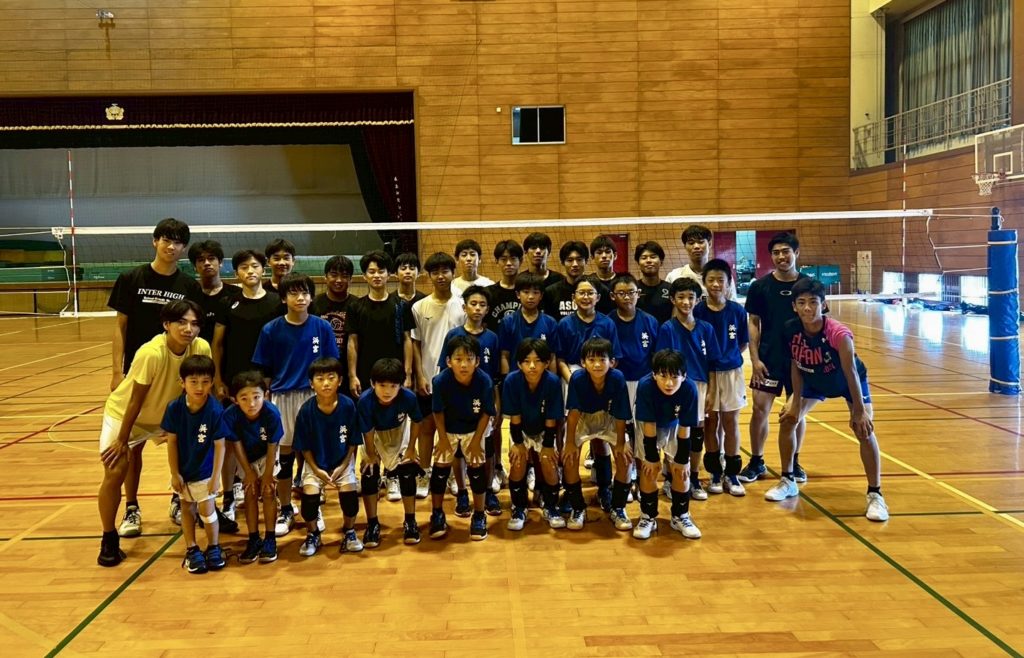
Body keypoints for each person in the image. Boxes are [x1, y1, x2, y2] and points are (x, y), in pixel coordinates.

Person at [107, 218, 203, 538]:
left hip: (175, 378)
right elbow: (120, 327)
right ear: (155, 241)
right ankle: (132, 507)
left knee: (179, 441)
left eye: (177, 242)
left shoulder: (188, 286)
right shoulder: (131, 278)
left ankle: (178, 499)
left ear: (184, 248)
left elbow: (194, 330)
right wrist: (116, 371)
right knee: (132, 447)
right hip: (140, 373)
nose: (171, 246)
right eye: (166, 239)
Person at [764, 279, 889, 522]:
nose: (807, 308)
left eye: (813, 302)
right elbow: (796, 365)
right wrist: (795, 403)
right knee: (788, 419)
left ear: (823, 304)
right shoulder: (790, 329)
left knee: (864, 429)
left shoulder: (838, 334)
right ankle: (788, 480)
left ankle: (875, 494)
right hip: (812, 379)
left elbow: (851, 372)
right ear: (794, 306)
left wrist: (859, 411)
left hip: (845, 382)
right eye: (801, 302)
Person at [97, 299, 210, 567]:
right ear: (166, 324)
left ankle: (184, 504)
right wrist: (122, 440)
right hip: (127, 416)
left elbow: (197, 390)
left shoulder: (201, 347)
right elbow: (135, 401)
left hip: (165, 417)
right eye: (181, 322)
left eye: (194, 324)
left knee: (192, 461)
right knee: (115, 469)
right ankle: (109, 537)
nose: (188, 329)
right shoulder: (151, 353)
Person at [252, 273, 340, 538]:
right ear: (283, 298)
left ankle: (313, 507)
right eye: (294, 293)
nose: (300, 298)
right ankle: (286, 508)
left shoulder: (322, 327)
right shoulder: (270, 330)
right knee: (285, 458)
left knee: (315, 455)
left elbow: (331, 365)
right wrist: (266, 401)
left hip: (314, 397)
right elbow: (265, 371)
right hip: (283, 397)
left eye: (305, 293)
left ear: (311, 297)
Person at [740, 232, 810, 484]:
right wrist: (754, 359)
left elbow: (820, 322)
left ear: (796, 253)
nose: (781, 257)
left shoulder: (809, 285)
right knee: (759, 410)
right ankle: (756, 461)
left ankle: (794, 462)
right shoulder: (759, 286)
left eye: (786, 251)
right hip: (769, 359)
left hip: (801, 360)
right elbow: (753, 323)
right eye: (776, 252)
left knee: (796, 413)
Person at [436, 286, 501, 515]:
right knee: (458, 449)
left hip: (483, 398)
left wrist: (496, 402)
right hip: (457, 400)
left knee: (486, 447)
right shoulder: (453, 335)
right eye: (473, 304)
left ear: (488, 309)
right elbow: (443, 370)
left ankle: (488, 490)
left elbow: (495, 375)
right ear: (464, 307)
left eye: (482, 304)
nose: (477, 308)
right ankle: (462, 490)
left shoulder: (492, 337)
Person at [162, 355, 229, 574]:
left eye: (205, 382)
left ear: (212, 382)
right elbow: (171, 442)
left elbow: (220, 446)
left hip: (205, 471)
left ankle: (214, 547)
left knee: (207, 510)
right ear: (182, 382)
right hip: (184, 470)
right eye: (193, 382)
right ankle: (191, 549)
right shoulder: (174, 408)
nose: (199, 387)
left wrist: (216, 477)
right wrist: (174, 473)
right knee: (186, 508)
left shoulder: (215, 410)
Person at [656, 277, 721, 501]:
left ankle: (693, 477)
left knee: (696, 434)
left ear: (698, 300)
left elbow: (712, 363)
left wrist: (712, 391)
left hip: (700, 386)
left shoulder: (706, 328)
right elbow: (662, 362)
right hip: (674, 386)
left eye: (690, 297)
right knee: (673, 433)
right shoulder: (667, 328)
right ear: (673, 300)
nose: (686, 302)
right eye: (681, 297)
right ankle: (670, 477)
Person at [292, 357, 363, 557]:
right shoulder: (306, 410)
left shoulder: (348, 406)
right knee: (309, 501)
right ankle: (313, 534)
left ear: (340, 381)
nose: (325, 383)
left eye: (331, 378)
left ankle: (349, 532)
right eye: (320, 379)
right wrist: (316, 469)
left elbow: (353, 441)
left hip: (342, 461)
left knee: (350, 498)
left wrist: (343, 466)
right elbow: (304, 446)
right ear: (311, 383)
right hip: (315, 463)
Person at [428, 335, 496, 541]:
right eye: (458, 359)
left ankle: (479, 515)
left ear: (477, 361)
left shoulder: (484, 381)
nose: (464, 364)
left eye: (469, 359)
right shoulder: (440, 381)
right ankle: (437, 514)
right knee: (440, 468)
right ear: (449, 361)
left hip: (474, 428)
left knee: (476, 467)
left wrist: (476, 441)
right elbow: (437, 412)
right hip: (447, 428)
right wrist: (442, 438)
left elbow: (487, 412)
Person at [411, 253, 467, 504]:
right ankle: (424, 473)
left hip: (457, 381)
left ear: (453, 273)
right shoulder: (419, 307)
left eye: (445, 271)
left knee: (455, 431)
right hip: (429, 378)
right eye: (435, 272)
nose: (441, 276)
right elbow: (416, 343)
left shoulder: (463, 303)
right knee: (426, 428)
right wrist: (420, 375)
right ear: (429, 276)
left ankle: (455, 475)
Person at [562, 338, 632, 530]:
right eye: (592, 360)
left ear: (612, 362)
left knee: (625, 459)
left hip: (609, 417)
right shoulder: (577, 378)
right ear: (583, 362)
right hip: (583, 418)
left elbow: (621, 414)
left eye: (602, 359)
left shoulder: (617, 378)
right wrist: (570, 443)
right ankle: (578, 507)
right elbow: (573, 413)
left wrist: (620, 443)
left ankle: (618, 507)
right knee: (569, 458)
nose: (597, 364)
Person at [632, 349, 702, 540]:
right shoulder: (645, 386)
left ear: (684, 376)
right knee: (649, 469)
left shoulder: (690, 389)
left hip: (675, 424)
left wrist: (682, 459)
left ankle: (680, 516)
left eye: (674, 377)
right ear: (654, 374)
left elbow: (686, 426)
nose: (669, 383)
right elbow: (649, 424)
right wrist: (651, 457)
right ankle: (648, 516)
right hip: (649, 426)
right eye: (663, 376)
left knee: (681, 470)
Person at [694, 259, 749, 496]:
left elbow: (743, 343)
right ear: (704, 283)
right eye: (711, 280)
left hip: (731, 373)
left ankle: (732, 474)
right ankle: (715, 472)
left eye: (721, 280)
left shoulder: (737, 311)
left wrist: (729, 359)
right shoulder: (698, 310)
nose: (716, 284)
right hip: (706, 373)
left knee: (731, 422)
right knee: (710, 422)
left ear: (729, 283)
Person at [356, 357, 424, 546]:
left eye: (393, 386)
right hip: (374, 435)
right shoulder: (365, 401)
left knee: (407, 470)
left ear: (401, 385)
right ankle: (372, 524)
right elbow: (367, 430)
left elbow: (417, 421)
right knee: (369, 473)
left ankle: (410, 521)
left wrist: (411, 448)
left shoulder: (408, 397)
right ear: (372, 384)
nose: (387, 391)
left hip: (398, 431)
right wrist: (371, 455)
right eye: (382, 385)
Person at [501, 338, 566, 530]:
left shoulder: (552, 382)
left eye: (537, 361)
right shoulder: (512, 381)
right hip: (520, 429)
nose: (532, 366)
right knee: (518, 461)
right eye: (527, 361)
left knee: (549, 462)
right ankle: (519, 507)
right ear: (519, 363)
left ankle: (551, 507)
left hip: (545, 430)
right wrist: (519, 444)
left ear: (546, 363)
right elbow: (514, 419)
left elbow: (551, 420)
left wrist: (548, 446)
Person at [223, 371, 283, 564]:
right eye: (244, 398)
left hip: (267, 454)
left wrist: (268, 474)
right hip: (246, 456)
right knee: (249, 492)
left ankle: (270, 538)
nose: (251, 403)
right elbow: (236, 444)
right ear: (235, 400)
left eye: (256, 397)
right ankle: (254, 538)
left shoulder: (271, 413)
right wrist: (248, 472)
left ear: (265, 395)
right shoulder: (231, 415)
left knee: (268, 491)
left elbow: (273, 445)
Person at [607, 273, 659, 496]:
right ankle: (624, 478)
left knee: (642, 433)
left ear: (639, 294)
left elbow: (657, 355)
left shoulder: (650, 321)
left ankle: (641, 477)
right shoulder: (607, 322)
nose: (627, 297)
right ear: (613, 296)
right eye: (621, 293)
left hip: (644, 384)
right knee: (621, 433)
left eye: (631, 292)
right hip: (617, 384)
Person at [212, 250, 282, 402]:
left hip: (270, 380)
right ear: (236, 273)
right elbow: (217, 344)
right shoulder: (227, 303)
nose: (250, 271)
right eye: (244, 267)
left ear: (263, 270)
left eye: (255, 266)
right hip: (234, 380)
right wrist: (218, 380)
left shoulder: (278, 303)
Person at [310, 255, 355, 396]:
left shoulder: (357, 305)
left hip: (348, 371)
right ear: (325, 277)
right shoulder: (313, 304)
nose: (339, 280)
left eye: (344, 276)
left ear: (351, 279)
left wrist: (353, 375)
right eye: (334, 275)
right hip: (320, 369)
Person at [498, 272, 558, 376]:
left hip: (543, 379)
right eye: (526, 292)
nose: (530, 297)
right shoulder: (508, 322)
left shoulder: (550, 322)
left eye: (535, 292)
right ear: (518, 294)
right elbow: (504, 356)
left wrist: (553, 380)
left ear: (541, 295)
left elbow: (552, 357)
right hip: (516, 379)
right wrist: (506, 380)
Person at [188, 240, 242, 344]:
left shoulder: (236, 294)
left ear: (220, 262)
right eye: (201, 260)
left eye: (211, 258)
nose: (207, 263)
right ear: (195, 266)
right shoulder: (190, 296)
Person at [542, 240, 589, 321]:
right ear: (562, 262)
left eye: (579, 259)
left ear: (586, 261)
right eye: (570, 260)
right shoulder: (551, 292)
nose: (575, 264)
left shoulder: (596, 290)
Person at [484, 240, 523, 333]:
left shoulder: (527, 292)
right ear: (496, 261)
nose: (508, 263)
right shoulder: (488, 293)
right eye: (503, 259)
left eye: (513, 258)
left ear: (521, 261)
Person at [634, 241, 673, 324]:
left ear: (661, 262)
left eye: (653, 257)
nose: (648, 261)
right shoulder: (633, 289)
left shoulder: (671, 289)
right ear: (638, 263)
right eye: (644, 258)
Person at [666, 225, 712, 292]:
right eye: (691, 243)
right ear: (685, 246)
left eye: (700, 242)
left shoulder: (721, 276)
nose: (696, 246)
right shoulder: (674, 276)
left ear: (709, 244)